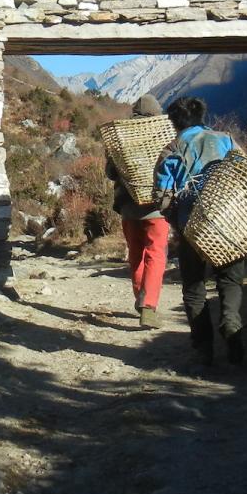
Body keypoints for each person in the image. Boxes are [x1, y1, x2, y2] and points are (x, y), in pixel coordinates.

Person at [153, 96, 247, 365]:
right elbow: (246, 172)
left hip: (192, 226)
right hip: (231, 222)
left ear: (174, 122)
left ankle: (204, 348)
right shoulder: (226, 139)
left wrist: (175, 219)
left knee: (194, 286)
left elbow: (163, 196)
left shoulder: (171, 149)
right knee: (229, 280)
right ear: (202, 116)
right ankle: (231, 324)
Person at [106, 95, 170, 329]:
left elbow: (111, 173)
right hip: (156, 208)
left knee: (136, 254)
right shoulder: (164, 136)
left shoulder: (120, 137)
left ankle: (140, 298)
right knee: (156, 253)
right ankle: (148, 306)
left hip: (128, 207)